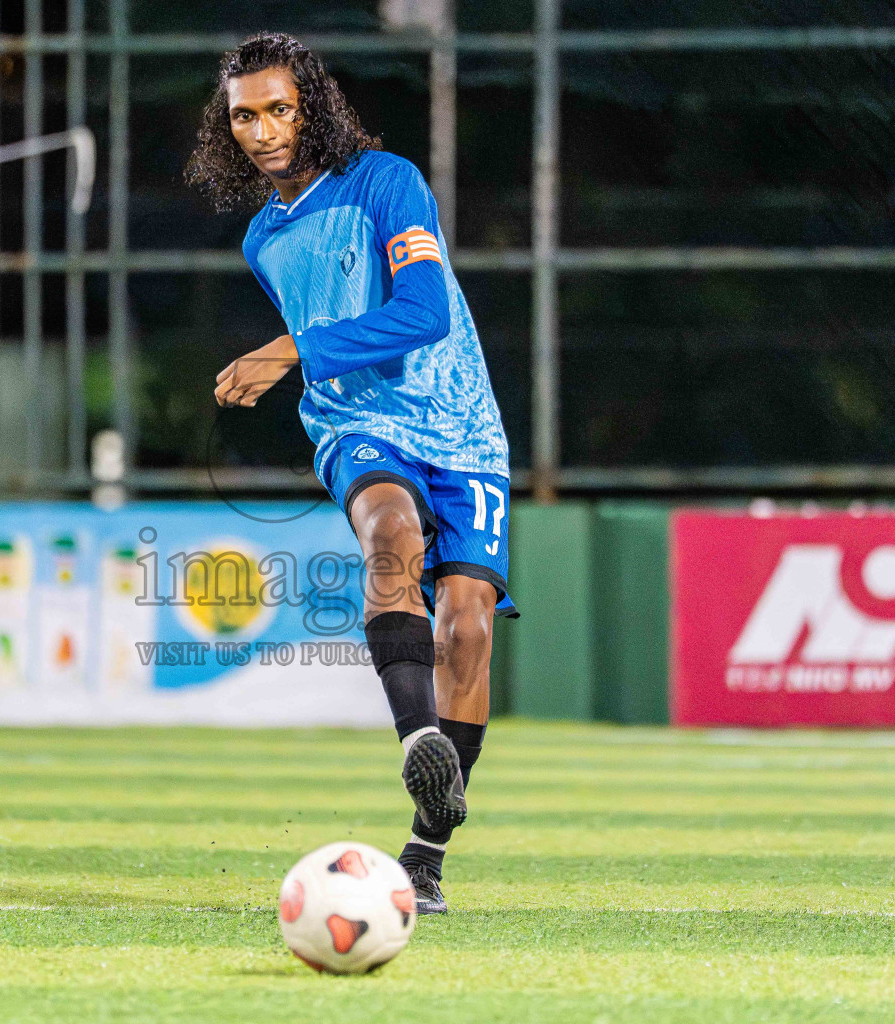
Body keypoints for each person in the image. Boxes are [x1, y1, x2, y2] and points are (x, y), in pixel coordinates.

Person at [186, 32, 517, 915]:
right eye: (244, 116)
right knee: (390, 536)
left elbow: (423, 310)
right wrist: (303, 365)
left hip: (461, 428)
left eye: (278, 109)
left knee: (469, 631)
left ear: (313, 106)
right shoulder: (263, 238)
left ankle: (428, 851)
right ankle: (419, 740)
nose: (262, 130)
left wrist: (291, 348)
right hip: (356, 423)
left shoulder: (386, 182)